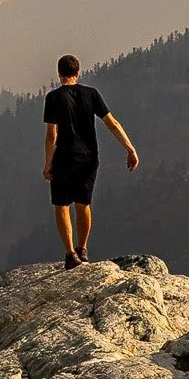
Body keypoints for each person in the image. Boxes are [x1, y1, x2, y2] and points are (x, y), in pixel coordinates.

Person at [42, 53, 138, 269]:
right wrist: (130, 149)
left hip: (64, 157)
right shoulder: (91, 94)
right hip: (89, 158)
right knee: (83, 203)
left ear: (59, 74)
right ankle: (82, 248)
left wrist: (48, 163)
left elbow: (51, 135)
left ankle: (69, 254)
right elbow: (112, 123)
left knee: (62, 205)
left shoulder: (53, 98)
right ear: (78, 73)